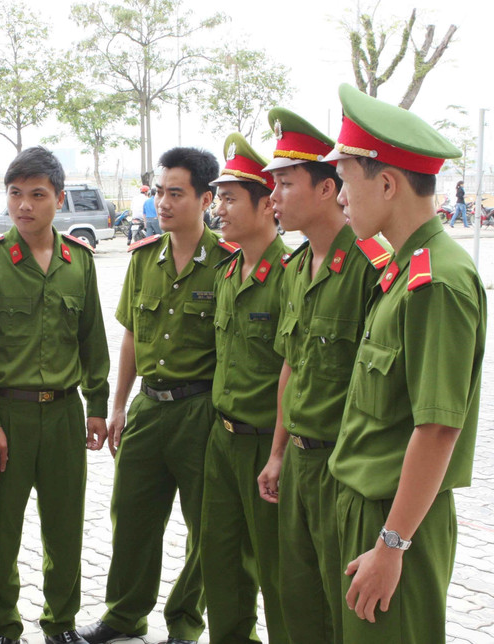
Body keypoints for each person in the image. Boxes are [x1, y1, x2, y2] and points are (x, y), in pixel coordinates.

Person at [324, 83, 485, 643]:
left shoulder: (437, 281)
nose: (340, 198)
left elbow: (438, 428)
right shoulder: (402, 269)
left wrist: (391, 546)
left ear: (387, 183)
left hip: (394, 523)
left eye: (345, 182)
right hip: (364, 510)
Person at [79, 147, 237, 644]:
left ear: (205, 198)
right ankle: (124, 615)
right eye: (158, 192)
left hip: (202, 411)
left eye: (176, 193)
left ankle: (185, 622)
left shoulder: (229, 265)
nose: (162, 203)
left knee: (204, 526)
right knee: (132, 516)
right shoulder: (145, 259)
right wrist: (121, 405)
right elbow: (130, 337)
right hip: (150, 407)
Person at [256, 106, 389, 644]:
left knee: (345, 610)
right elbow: (292, 365)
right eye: (272, 185)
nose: (274, 198)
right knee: (300, 600)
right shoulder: (295, 267)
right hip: (302, 465)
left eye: (285, 184)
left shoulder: (369, 265)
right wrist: (279, 451)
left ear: (328, 188)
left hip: (344, 468)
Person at [0, 147, 110, 644]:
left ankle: (61, 622)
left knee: (66, 528)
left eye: (37, 194)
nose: (24, 205)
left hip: (66, 414)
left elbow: (93, 337)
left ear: (59, 198)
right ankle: (2, 625)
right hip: (6, 413)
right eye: (15, 193)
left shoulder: (79, 262)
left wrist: (97, 406)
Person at [199, 133, 290, 644]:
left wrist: (277, 452)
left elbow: (291, 370)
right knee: (221, 559)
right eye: (218, 196)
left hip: (265, 442)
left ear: (266, 204)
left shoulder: (290, 275)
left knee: (276, 568)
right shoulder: (230, 270)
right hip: (223, 437)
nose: (219, 208)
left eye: (231, 197)